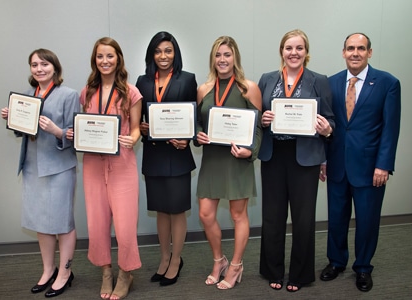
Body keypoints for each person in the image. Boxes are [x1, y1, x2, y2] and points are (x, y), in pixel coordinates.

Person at [319, 33, 401, 292]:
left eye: (361, 49)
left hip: (370, 168)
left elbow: (390, 128)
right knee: (336, 218)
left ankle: (363, 267)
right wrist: (322, 159)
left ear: (369, 52)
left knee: (367, 220)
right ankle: (336, 261)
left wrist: (384, 165)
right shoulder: (329, 84)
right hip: (336, 164)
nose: (356, 53)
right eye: (351, 48)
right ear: (343, 52)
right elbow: (326, 124)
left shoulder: (388, 83)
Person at [257, 29, 334, 292]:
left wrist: (327, 130)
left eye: (299, 48)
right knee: (272, 217)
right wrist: (262, 119)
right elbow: (256, 116)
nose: (294, 53)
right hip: (273, 155)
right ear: (281, 51)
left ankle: (300, 274)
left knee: (303, 219)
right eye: (289, 48)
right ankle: (273, 270)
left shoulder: (319, 80)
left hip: (306, 157)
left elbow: (330, 120)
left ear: (306, 52)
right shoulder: (266, 80)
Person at [0, 48, 79, 298]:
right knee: (41, 224)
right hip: (32, 166)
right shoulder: (26, 95)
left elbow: (76, 135)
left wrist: (57, 131)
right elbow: (23, 130)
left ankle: (65, 273)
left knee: (62, 223)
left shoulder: (69, 95)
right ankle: (48, 270)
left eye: (44, 64)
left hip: (59, 167)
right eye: (34, 65)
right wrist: (11, 119)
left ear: (55, 67)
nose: (39, 69)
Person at [195, 36, 262, 290]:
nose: (222, 60)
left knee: (237, 215)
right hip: (212, 159)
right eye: (218, 55)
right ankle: (218, 260)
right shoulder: (204, 89)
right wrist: (197, 136)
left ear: (235, 58)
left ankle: (235, 265)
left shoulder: (248, 88)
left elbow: (258, 130)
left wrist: (251, 151)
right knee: (205, 213)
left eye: (227, 55)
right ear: (213, 58)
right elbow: (198, 122)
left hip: (237, 160)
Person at [78, 37, 142, 300]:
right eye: (100, 56)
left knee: (125, 225)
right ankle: (106, 271)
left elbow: (137, 128)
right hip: (93, 165)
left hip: (122, 164)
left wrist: (133, 138)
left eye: (110, 56)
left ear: (118, 59)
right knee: (97, 222)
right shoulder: (87, 92)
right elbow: (86, 124)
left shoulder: (131, 92)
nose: (105, 61)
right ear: (95, 60)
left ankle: (126, 272)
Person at [136, 31, 197, 286]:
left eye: (168, 51)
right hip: (154, 155)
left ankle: (176, 260)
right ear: (152, 54)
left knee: (177, 210)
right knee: (161, 210)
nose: (163, 56)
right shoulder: (142, 81)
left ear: (175, 54)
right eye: (159, 51)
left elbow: (195, 117)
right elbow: (137, 119)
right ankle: (164, 257)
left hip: (178, 154)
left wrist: (188, 137)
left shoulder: (187, 79)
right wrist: (141, 127)